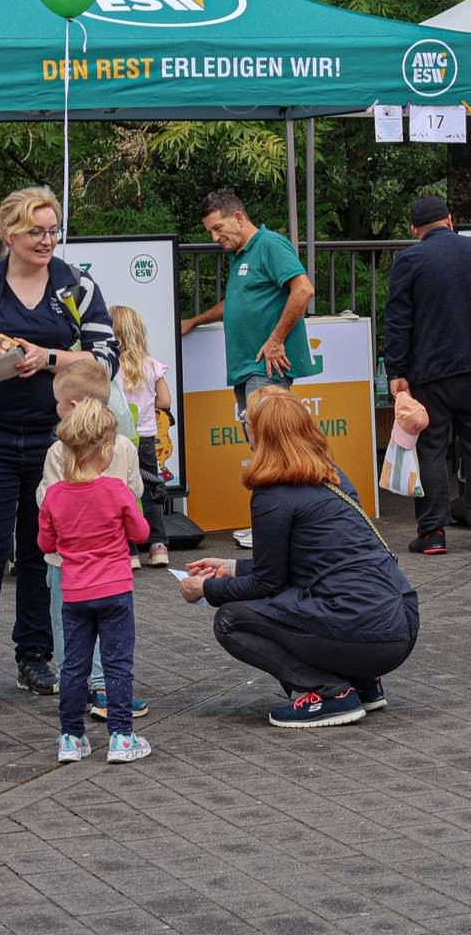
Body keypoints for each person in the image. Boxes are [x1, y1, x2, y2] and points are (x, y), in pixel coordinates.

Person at [0, 186, 120, 710]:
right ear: (8, 233)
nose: (46, 240)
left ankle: (35, 658)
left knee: (44, 554)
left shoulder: (77, 285)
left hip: (57, 440)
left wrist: (49, 357)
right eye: (35, 231)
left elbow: (107, 358)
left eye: (52, 230)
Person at [183, 388, 419, 729]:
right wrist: (231, 567)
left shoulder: (272, 495)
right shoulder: (330, 474)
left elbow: (268, 584)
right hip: (400, 624)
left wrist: (205, 590)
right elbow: (301, 564)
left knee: (230, 620)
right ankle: (363, 683)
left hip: (365, 631)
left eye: (246, 421)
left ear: (258, 434)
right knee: (298, 601)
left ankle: (331, 692)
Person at [383, 194, 471, 554]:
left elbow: (398, 321)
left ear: (414, 229)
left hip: (431, 371)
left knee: (431, 449)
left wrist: (396, 370)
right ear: (450, 220)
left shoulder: (408, 260)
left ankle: (433, 532)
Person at [38, 398, 151, 764]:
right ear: (105, 451)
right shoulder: (116, 490)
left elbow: (46, 544)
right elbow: (141, 532)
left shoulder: (54, 496)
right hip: (115, 588)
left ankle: (71, 737)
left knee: (74, 666)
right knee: (118, 665)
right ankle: (121, 737)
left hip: (74, 592)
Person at [181, 191, 316, 419]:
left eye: (218, 228)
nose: (214, 237)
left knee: (268, 437)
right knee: (258, 437)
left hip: (266, 368)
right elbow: (236, 303)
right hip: (246, 370)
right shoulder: (239, 254)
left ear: (238, 218)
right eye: (210, 231)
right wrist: (194, 321)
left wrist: (276, 341)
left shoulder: (270, 243)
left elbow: (304, 290)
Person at [109, 304, 172, 568]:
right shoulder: (151, 365)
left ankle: (130, 550)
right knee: (152, 486)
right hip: (146, 438)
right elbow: (165, 401)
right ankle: (158, 546)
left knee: (123, 490)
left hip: (119, 438)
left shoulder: (111, 367)